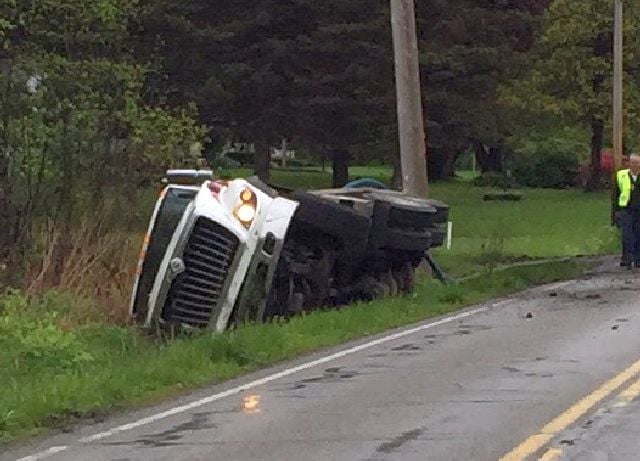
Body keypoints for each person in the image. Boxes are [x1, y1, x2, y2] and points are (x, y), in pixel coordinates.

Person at [615, 154, 640, 269]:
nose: (635, 165)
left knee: (638, 234)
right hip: (626, 209)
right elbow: (616, 194)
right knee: (627, 235)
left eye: (637, 162)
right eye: (633, 162)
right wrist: (616, 211)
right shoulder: (621, 175)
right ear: (629, 163)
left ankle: (638, 259)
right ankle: (627, 258)